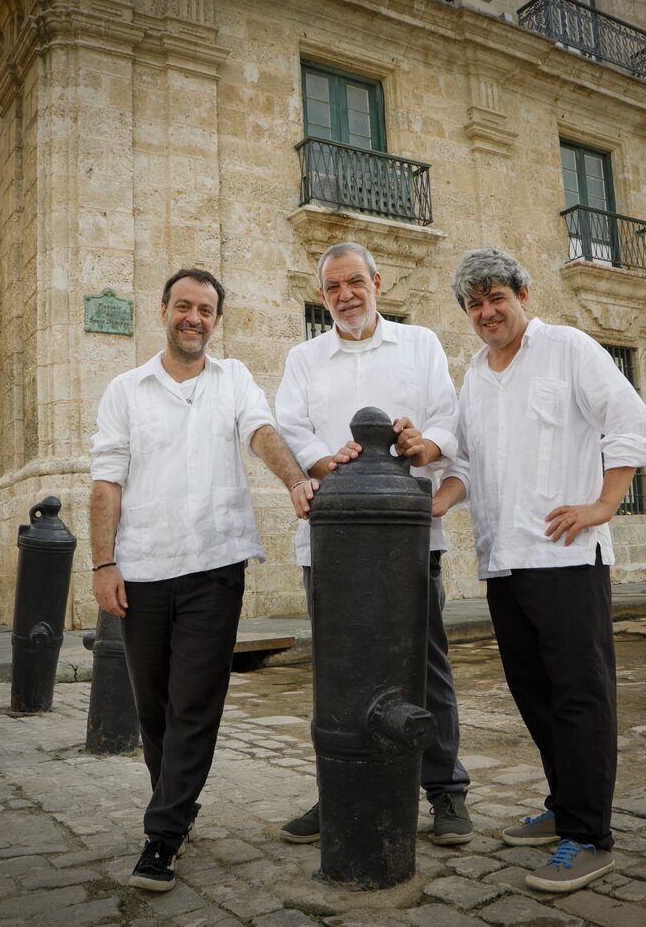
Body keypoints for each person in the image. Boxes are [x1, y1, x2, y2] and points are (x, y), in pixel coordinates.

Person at [433, 247, 646, 892]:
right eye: (475, 304)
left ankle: (590, 837)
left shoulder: (569, 349)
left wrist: (605, 503)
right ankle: (565, 806)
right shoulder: (475, 374)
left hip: (565, 560)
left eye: (496, 297)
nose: (486, 312)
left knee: (580, 696)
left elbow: (630, 422)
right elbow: (466, 466)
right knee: (533, 694)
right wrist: (430, 504)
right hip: (504, 561)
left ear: (523, 296)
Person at [90, 267, 317, 892]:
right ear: (164, 310)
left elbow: (261, 433)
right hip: (141, 569)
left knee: (194, 702)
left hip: (215, 565)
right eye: (184, 306)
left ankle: (160, 836)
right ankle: (179, 807)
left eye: (206, 309)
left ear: (217, 320)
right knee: (153, 707)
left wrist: (295, 478)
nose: (194, 318)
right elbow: (107, 480)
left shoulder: (235, 379)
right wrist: (103, 563)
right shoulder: (125, 390)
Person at [275, 242, 472, 846]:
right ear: (323, 295)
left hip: (406, 537)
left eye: (355, 282)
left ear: (378, 282)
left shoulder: (421, 345)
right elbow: (290, 428)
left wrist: (423, 445)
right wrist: (324, 461)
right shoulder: (304, 358)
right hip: (331, 541)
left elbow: (449, 419)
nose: (345, 296)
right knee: (337, 669)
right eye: (332, 288)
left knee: (426, 662)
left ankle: (446, 791)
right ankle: (343, 787)